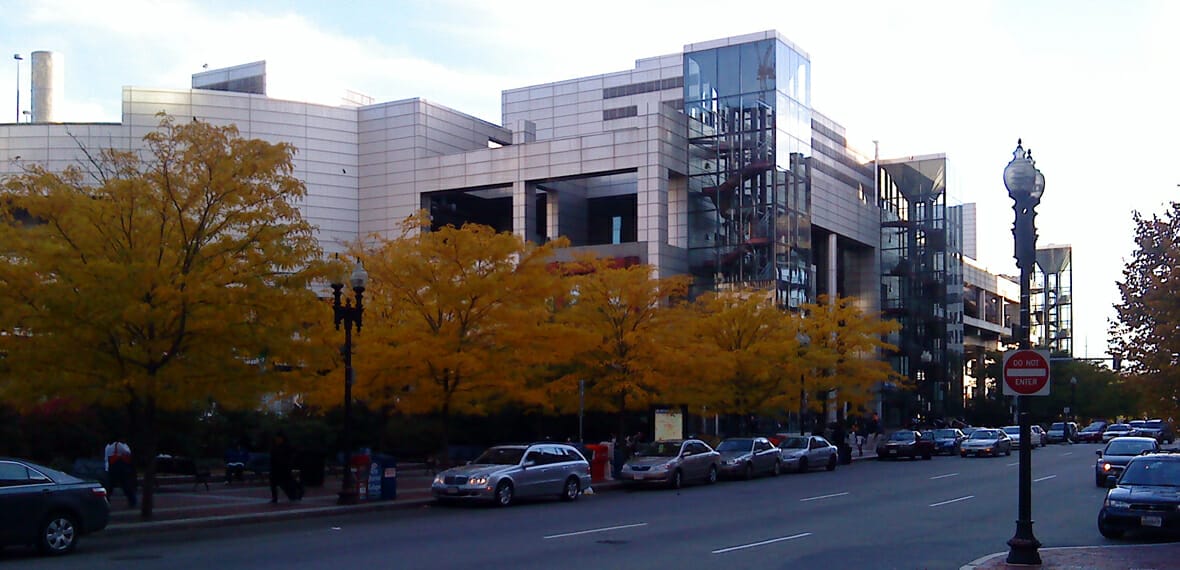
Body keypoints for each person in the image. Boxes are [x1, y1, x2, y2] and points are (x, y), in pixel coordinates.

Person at [104, 435, 137, 507]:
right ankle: (132, 501)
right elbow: (128, 452)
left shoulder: (108, 446)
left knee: (110, 486)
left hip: (111, 467)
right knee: (126, 485)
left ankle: (105, 500)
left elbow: (106, 458)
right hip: (120, 468)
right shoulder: (119, 445)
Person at [269, 432, 302, 503]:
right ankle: (274, 498)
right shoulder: (274, 446)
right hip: (275, 467)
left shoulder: (287, 446)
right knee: (273, 482)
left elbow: (292, 454)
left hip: (284, 467)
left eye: (279, 438)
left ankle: (298, 490)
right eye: (277, 438)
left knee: (288, 480)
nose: (277, 440)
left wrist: (288, 462)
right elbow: (272, 456)